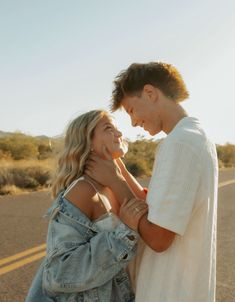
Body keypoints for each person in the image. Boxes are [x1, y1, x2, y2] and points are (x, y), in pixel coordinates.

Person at [85, 62, 218, 302]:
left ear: (150, 93)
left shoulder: (179, 144)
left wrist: (115, 182)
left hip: (170, 292)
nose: (134, 122)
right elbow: (157, 208)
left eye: (132, 110)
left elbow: (158, 237)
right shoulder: (196, 136)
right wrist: (121, 171)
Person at [26, 109, 148, 302]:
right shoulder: (84, 190)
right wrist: (124, 233)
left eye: (117, 129)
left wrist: (118, 167)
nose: (119, 134)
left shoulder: (112, 182)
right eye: (109, 129)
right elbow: (60, 272)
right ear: (88, 141)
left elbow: (143, 204)